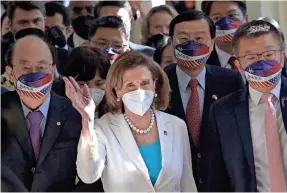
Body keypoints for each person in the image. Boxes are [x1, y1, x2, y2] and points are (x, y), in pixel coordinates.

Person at [64, 51, 197, 192]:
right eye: (130, 85)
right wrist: (87, 119)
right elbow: (88, 175)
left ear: (155, 85)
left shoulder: (177, 126)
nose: (139, 91)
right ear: (118, 91)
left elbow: (187, 183)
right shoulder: (103, 128)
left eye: (145, 83)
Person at [164, 9, 244, 191]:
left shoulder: (231, 80)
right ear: (171, 42)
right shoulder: (157, 82)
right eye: (183, 39)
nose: (192, 45)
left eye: (200, 39)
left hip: (221, 184)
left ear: (212, 42)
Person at [208, 20, 287, 192]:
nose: (261, 63)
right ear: (239, 65)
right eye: (251, 57)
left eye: (268, 54)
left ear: (282, 57)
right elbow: (218, 177)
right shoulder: (223, 112)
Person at [1, 35, 82, 191]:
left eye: (41, 67)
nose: (34, 74)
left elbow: (91, 177)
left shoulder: (75, 114)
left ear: (52, 70)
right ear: (10, 73)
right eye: (25, 67)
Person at [53, 46, 111, 119]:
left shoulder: (116, 108)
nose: (91, 90)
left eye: (99, 84)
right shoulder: (52, 107)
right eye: (82, 84)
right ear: (67, 81)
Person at [202, 1, 247, 69]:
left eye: (232, 15)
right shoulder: (199, 64)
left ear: (245, 19)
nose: (226, 23)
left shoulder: (263, 57)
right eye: (216, 18)